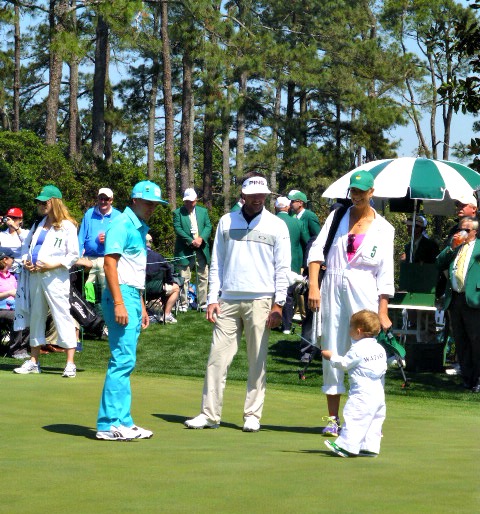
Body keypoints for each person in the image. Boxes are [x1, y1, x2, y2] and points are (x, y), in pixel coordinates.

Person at [184, 173, 291, 432]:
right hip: (228, 299)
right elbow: (217, 263)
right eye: (253, 195)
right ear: (242, 195)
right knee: (216, 359)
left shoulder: (277, 225)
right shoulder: (225, 221)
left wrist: (279, 304)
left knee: (257, 360)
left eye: (262, 195)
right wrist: (211, 299)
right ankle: (209, 414)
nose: (258, 199)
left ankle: (252, 415)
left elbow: (283, 268)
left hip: (261, 300)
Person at [308, 170, 394, 436]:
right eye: (353, 191)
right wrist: (314, 285)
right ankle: (332, 421)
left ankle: (364, 421)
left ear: (372, 193)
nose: (356, 196)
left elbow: (386, 271)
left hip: (364, 289)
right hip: (332, 286)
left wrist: (383, 310)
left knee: (363, 356)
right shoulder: (336, 217)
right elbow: (316, 250)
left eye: (361, 192)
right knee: (331, 350)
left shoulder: (384, 228)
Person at [96, 180, 168, 441]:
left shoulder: (137, 228)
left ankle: (122, 420)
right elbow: (109, 266)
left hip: (131, 294)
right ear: (135, 201)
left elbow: (133, 270)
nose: (152, 208)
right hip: (120, 293)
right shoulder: (121, 224)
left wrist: (140, 305)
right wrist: (119, 302)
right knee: (122, 359)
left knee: (126, 359)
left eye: (155, 205)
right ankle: (109, 424)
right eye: (148, 203)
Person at [13, 185, 79, 377]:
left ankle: (70, 363)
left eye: (44, 201)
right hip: (35, 276)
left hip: (55, 278)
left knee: (61, 315)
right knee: (36, 316)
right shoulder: (37, 224)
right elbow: (26, 247)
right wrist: (26, 261)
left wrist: (51, 265)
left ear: (54, 202)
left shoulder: (67, 225)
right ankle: (34, 361)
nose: (40, 205)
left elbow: (73, 254)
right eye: (39, 202)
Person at [322, 310, 387, 458]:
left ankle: (346, 447)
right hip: (378, 392)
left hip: (362, 392)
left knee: (355, 416)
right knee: (374, 419)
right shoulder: (380, 348)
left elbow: (344, 364)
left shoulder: (357, 349)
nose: (349, 329)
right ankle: (369, 447)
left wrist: (330, 357)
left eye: (350, 326)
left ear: (358, 331)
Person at [436, 216, 480, 393]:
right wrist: (452, 247)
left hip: (474, 299)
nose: (462, 232)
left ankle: (478, 379)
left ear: (475, 231)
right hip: (455, 299)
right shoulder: (455, 247)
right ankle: (467, 379)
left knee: (476, 341)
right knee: (461, 341)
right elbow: (438, 263)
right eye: (460, 229)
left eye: (467, 230)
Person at [173, 188, 212, 311]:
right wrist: (191, 241)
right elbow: (178, 229)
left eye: (191, 201)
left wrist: (201, 238)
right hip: (184, 250)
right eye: (186, 201)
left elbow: (208, 226)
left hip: (201, 248)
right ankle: (184, 303)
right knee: (184, 277)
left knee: (203, 276)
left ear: (196, 200)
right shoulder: (177, 212)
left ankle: (203, 303)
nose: (189, 204)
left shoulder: (203, 211)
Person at [78, 187, 121, 296]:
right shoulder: (89, 213)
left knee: (106, 291)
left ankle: (104, 312)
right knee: (86, 291)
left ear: (111, 200)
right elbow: (81, 237)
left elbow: (121, 240)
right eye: (101, 198)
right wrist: (78, 256)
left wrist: (109, 239)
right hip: (88, 259)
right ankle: (87, 311)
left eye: (106, 199)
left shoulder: (118, 216)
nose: (103, 201)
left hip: (107, 259)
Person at [275, 196, 308, 334]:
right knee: (288, 294)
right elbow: (306, 241)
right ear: (288, 207)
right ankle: (287, 326)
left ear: (276, 207)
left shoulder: (271, 221)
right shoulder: (297, 223)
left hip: (274, 261)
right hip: (292, 262)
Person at [0, 247, 29, 359]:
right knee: (17, 317)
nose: (13, 260)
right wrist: (8, 293)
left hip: (14, 307)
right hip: (1, 309)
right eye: (12, 258)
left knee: (29, 316)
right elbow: (10, 293)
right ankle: (16, 350)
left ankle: (23, 347)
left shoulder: (11, 276)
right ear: (6, 259)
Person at [146, 233, 180, 324]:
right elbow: (168, 272)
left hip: (140, 291)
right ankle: (167, 314)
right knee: (176, 288)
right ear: (150, 243)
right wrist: (169, 281)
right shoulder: (158, 257)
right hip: (157, 290)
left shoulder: (135, 257)